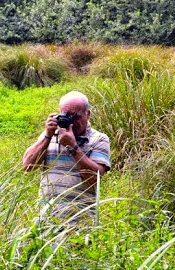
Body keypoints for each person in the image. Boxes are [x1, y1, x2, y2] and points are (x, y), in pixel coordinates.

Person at [22, 91, 110, 223]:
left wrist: (73, 147)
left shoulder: (99, 139)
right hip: (46, 218)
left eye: (76, 116)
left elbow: (95, 178)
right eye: (66, 115)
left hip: (81, 220)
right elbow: (27, 166)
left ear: (88, 114)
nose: (71, 122)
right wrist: (47, 136)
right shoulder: (50, 135)